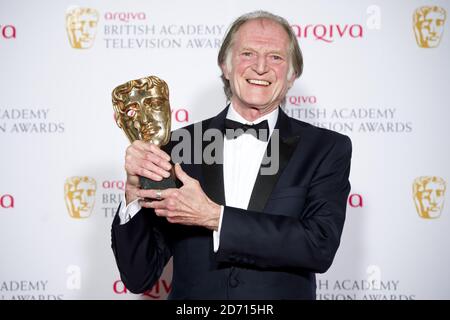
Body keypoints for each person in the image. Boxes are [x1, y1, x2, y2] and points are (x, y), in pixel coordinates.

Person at [111, 11, 352, 299]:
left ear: (292, 75)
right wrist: (133, 194)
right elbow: (139, 276)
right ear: (225, 65)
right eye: (247, 53)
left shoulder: (325, 148)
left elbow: (319, 246)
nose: (261, 67)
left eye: (275, 57)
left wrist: (215, 217)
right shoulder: (178, 146)